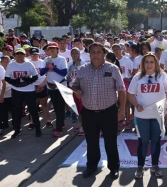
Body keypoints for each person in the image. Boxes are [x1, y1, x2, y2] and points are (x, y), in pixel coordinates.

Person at [72, 42, 126, 179]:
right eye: (93, 52)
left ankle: (113, 167)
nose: (96, 55)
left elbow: (121, 89)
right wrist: (77, 90)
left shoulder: (113, 68)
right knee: (91, 142)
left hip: (108, 112)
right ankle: (91, 166)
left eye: (98, 52)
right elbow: (74, 84)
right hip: (88, 112)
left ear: (104, 54)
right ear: (89, 54)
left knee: (110, 142)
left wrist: (122, 110)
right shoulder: (83, 69)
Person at [128, 53, 167, 179]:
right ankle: (140, 167)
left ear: (156, 64)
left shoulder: (163, 76)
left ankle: (155, 166)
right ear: (143, 64)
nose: (149, 64)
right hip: (142, 116)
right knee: (143, 141)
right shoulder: (137, 77)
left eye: (152, 62)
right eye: (147, 62)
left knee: (156, 141)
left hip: (158, 115)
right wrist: (136, 104)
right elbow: (130, 94)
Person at [5, 48, 41, 138]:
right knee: (17, 111)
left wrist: (28, 79)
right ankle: (17, 130)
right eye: (18, 54)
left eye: (22, 54)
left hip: (29, 90)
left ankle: (38, 129)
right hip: (17, 91)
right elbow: (7, 78)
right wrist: (15, 81)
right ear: (15, 55)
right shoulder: (11, 65)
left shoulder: (29, 64)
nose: (20, 56)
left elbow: (36, 76)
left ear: (25, 55)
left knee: (33, 110)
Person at [40, 42, 68, 137]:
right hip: (50, 86)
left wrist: (54, 68)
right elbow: (41, 73)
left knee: (60, 108)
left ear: (57, 49)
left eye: (53, 48)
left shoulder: (61, 59)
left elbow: (64, 73)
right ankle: (62, 124)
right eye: (49, 48)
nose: (51, 50)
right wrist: (48, 67)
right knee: (56, 108)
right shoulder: (46, 59)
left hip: (60, 86)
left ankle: (59, 129)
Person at [28, 47, 52, 129]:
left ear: (39, 55)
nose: (34, 56)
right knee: (32, 105)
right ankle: (31, 122)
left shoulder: (43, 62)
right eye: (32, 55)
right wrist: (33, 86)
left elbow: (48, 74)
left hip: (42, 85)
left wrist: (42, 84)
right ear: (30, 55)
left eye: (36, 54)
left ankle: (48, 121)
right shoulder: (28, 63)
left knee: (44, 105)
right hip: (31, 86)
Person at [67, 47, 85, 135]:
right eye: (73, 53)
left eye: (76, 53)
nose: (74, 55)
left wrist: (78, 65)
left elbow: (84, 75)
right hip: (72, 88)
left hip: (80, 89)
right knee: (76, 108)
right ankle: (81, 123)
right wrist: (68, 78)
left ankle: (84, 126)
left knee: (82, 109)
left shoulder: (83, 63)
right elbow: (67, 74)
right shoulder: (70, 64)